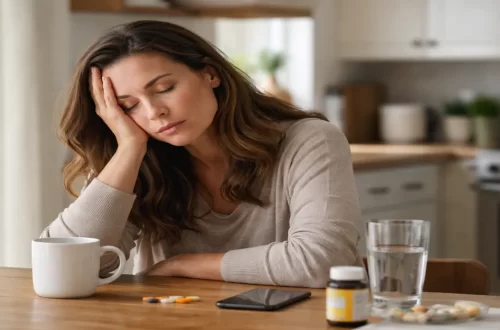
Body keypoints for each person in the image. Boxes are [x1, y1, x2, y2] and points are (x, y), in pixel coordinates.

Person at [41, 20, 364, 288]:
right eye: (129, 105)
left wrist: (182, 265)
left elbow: (323, 262)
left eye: (165, 88)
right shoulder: (137, 159)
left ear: (210, 74)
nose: (154, 112)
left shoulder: (309, 140)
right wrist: (129, 148)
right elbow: (64, 268)